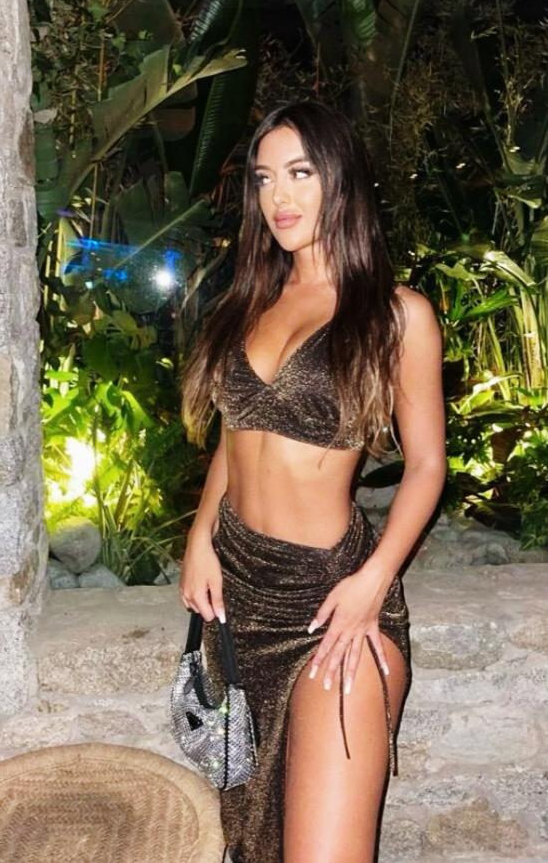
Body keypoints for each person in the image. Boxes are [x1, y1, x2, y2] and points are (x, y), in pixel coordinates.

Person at [179, 100, 446, 863]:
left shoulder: (395, 315)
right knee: (251, 840)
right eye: (264, 178)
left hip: (331, 600)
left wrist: (372, 580)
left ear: (340, 178)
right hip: (237, 594)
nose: (279, 196)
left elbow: (426, 466)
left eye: (299, 173)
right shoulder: (248, 302)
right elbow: (235, 438)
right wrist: (199, 537)